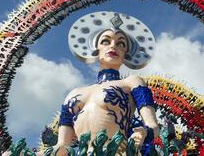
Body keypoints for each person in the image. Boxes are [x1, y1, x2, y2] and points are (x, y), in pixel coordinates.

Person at [55, 11, 159, 155]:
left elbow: (153, 125)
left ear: (126, 54)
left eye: (120, 43)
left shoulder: (132, 82)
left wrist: (144, 133)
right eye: (106, 41)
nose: (113, 46)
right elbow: (62, 146)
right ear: (95, 49)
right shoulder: (74, 93)